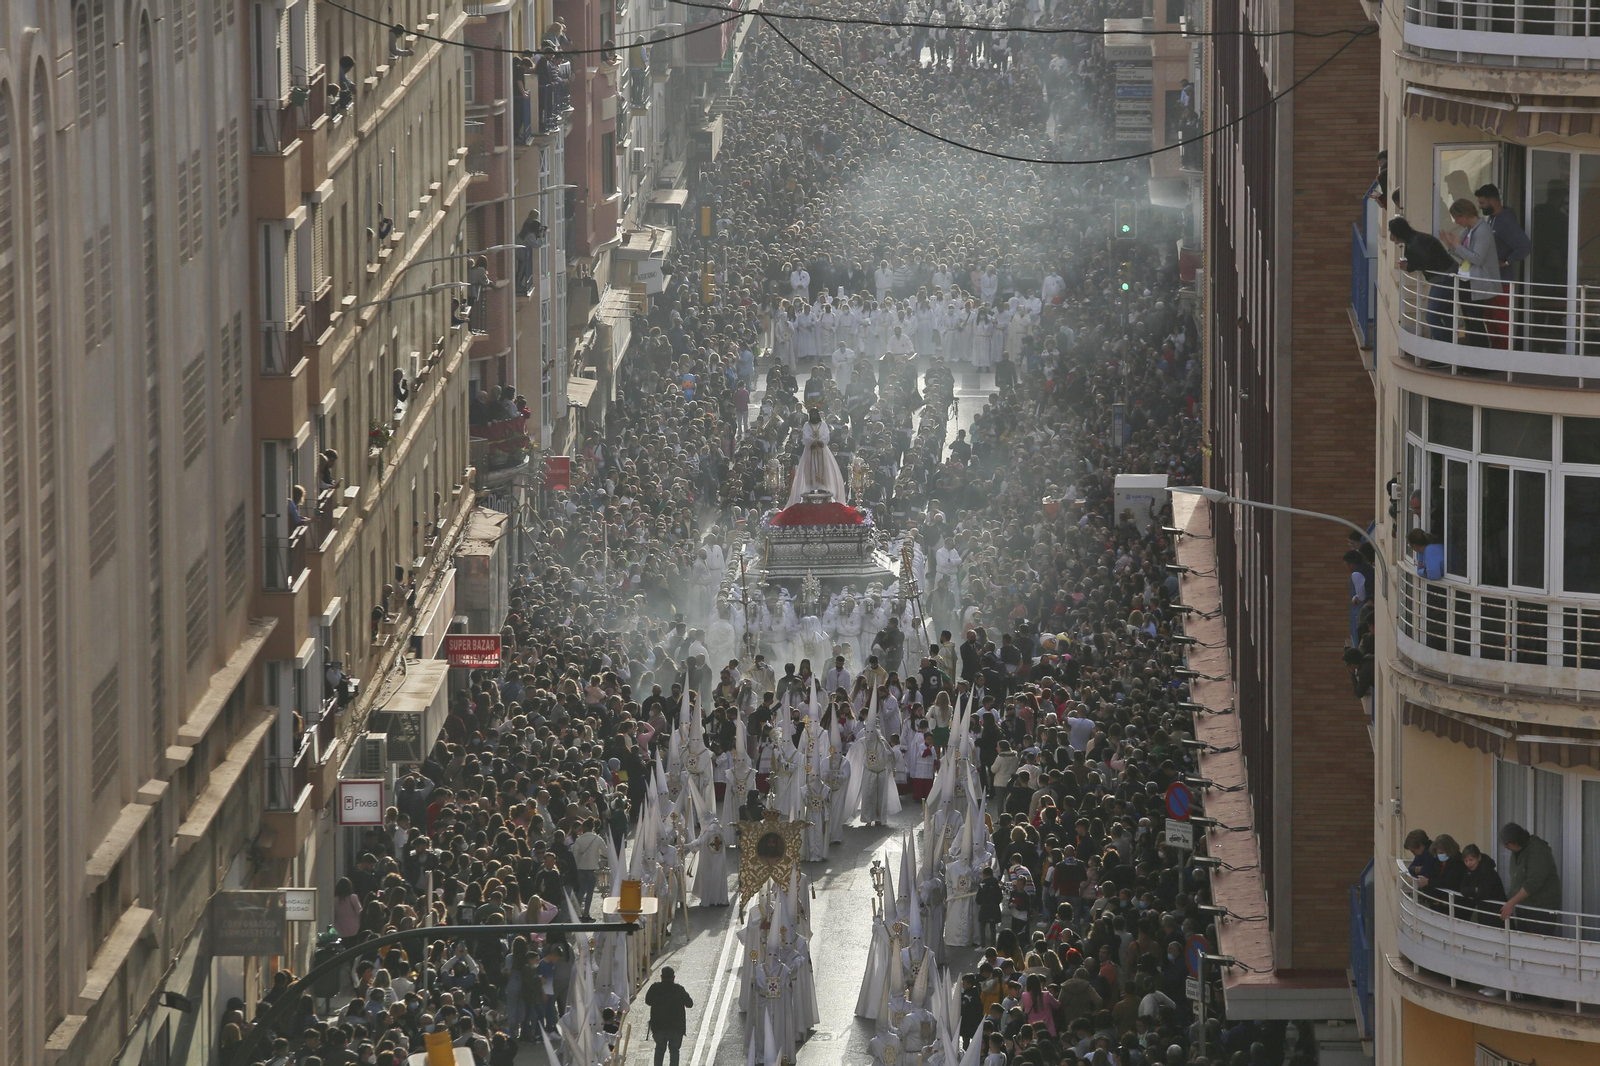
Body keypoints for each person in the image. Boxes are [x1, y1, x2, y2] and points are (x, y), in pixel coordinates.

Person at [1440, 198, 1501, 348]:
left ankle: (1480, 359)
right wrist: (1450, 245)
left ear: (1464, 216)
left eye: (1456, 218)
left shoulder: (1483, 230)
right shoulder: (1468, 231)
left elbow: (1477, 259)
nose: (1456, 222)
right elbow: (1465, 256)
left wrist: (1457, 246)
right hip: (1466, 280)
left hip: (1476, 282)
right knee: (1469, 321)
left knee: (1475, 322)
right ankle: (1472, 359)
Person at [1475, 183, 1531, 348]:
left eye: (1482, 203)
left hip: (1502, 281)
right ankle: (1496, 353)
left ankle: (1506, 355)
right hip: (1490, 279)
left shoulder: (1506, 221)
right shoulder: (1493, 218)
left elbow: (1525, 246)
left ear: (1492, 201)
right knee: (1491, 318)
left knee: (1502, 319)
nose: (1480, 207)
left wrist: (1506, 261)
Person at [1388, 216, 1457, 344]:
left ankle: (1442, 352)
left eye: (1392, 233)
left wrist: (1409, 266)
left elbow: (1425, 262)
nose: (1391, 237)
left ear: (1397, 234)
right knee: (1447, 316)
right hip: (1449, 275)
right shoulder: (1417, 238)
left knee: (1432, 316)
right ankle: (1449, 349)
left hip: (1443, 278)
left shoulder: (1414, 244)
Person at [1500, 821, 1561, 933]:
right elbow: (1517, 877)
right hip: (1524, 907)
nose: (1505, 847)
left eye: (1507, 843)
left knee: (1539, 944)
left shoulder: (1538, 851)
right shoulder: (1517, 852)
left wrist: (1511, 903)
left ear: (1516, 841)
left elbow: (1533, 883)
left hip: (1541, 909)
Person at [645, 966, 695, 1066]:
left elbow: (648, 1001)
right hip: (676, 1027)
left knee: (659, 1050)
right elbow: (689, 1004)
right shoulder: (679, 989)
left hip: (659, 1026)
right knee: (675, 1051)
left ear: (661, 976)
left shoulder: (655, 988)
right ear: (673, 977)